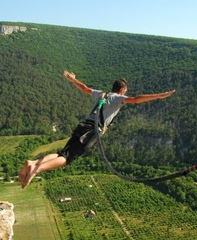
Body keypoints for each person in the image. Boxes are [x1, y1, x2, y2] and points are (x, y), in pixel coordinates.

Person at [18, 70, 176, 189]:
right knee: (67, 158)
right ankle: (36, 170)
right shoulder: (117, 98)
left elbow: (85, 88)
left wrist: (72, 79)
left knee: (62, 152)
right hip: (92, 131)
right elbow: (136, 100)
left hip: (83, 125)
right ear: (122, 91)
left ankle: (33, 162)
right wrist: (160, 96)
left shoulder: (102, 94)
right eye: (125, 92)